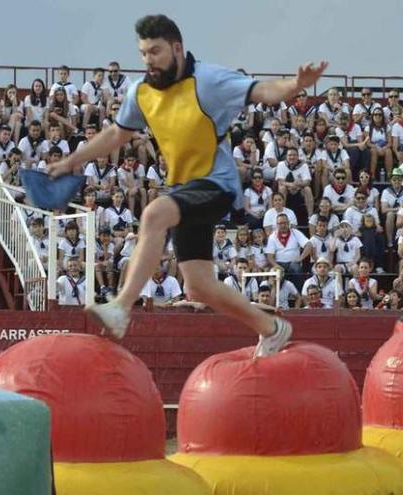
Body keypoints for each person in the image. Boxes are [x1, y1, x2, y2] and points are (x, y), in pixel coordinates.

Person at [50, 16, 329, 355]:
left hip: (216, 183)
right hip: (182, 188)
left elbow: (261, 90)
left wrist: (294, 85)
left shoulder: (208, 80)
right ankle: (271, 328)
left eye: (155, 51)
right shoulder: (140, 92)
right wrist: (69, 162)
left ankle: (121, 307)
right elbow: (116, 134)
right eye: (142, 53)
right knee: (198, 286)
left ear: (177, 48)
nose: (148, 60)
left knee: (154, 214)